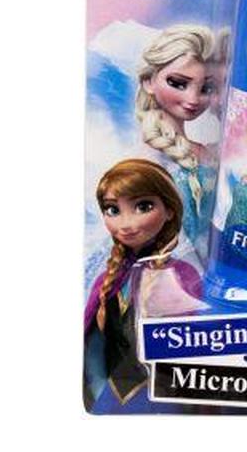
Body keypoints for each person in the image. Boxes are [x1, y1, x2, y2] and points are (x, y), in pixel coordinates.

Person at [84, 159, 202, 410]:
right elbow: (94, 347)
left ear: (169, 210)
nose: (126, 224)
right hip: (111, 395)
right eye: (113, 210)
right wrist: (97, 390)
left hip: (165, 395)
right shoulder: (107, 280)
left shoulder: (183, 276)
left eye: (143, 206)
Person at [135, 25, 217, 246]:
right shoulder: (149, 159)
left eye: (206, 89)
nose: (193, 99)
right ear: (149, 82)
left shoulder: (206, 151)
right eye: (178, 83)